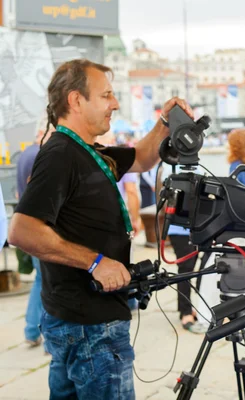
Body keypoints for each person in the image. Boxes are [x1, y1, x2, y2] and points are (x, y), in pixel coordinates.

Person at [8, 59, 194, 399]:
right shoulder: (60, 154)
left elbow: (141, 157)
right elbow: (21, 231)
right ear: (76, 100)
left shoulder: (88, 151)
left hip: (78, 321)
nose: (116, 103)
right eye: (106, 95)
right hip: (89, 326)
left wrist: (165, 123)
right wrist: (96, 262)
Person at [17, 116, 53, 348]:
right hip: (39, 227)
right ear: (43, 132)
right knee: (47, 283)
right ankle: (43, 334)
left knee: (41, 280)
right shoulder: (39, 154)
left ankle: (32, 330)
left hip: (30, 224)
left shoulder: (24, 155)